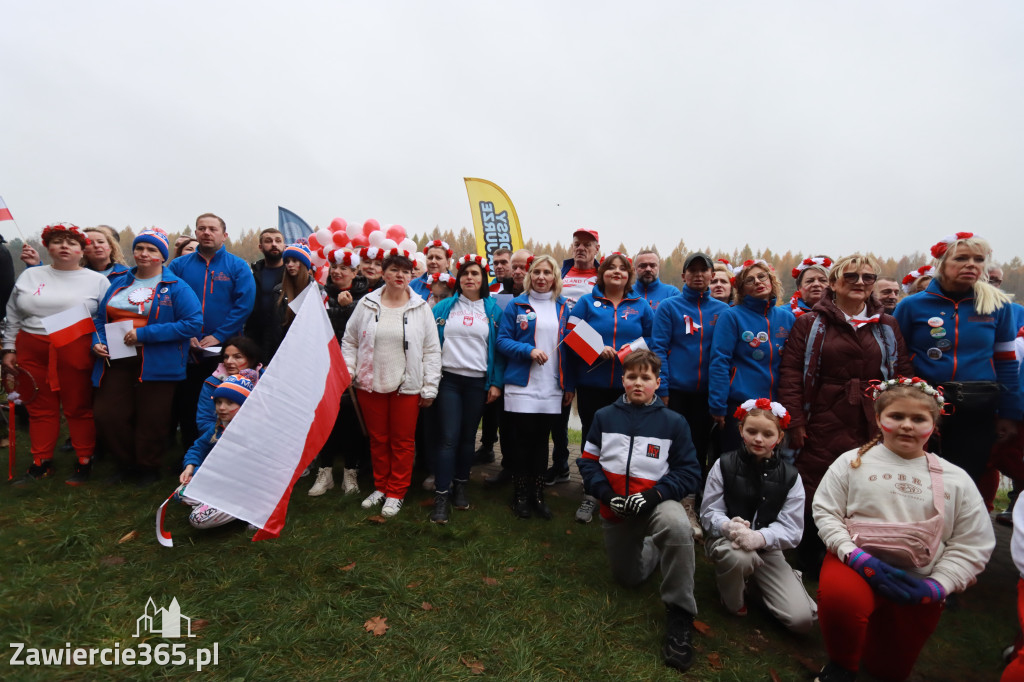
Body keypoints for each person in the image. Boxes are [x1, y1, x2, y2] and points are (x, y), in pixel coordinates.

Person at [812, 378, 994, 682]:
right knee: (841, 600)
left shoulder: (957, 480)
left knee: (889, 671)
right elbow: (826, 511)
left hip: (919, 580)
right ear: (879, 418)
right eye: (897, 416)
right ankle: (841, 665)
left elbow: (972, 543)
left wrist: (939, 586)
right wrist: (856, 558)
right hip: (855, 566)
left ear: (933, 424)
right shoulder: (852, 462)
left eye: (918, 418)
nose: (907, 425)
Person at [778, 254, 912, 577]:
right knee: (816, 483)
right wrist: (794, 420)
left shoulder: (886, 326)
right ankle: (810, 558)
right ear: (835, 282)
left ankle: (856, 556)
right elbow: (792, 374)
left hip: (872, 419)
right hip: (822, 414)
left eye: (868, 277)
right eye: (851, 276)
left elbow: (902, 371)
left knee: (868, 485)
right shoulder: (811, 323)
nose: (860, 283)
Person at [576, 349, 701, 673]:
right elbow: (588, 462)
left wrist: (655, 495)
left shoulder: (674, 422)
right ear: (623, 380)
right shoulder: (604, 417)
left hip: (656, 503)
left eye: (645, 377)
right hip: (615, 506)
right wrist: (604, 493)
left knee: (676, 526)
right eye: (632, 376)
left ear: (657, 383)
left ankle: (680, 613)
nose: (638, 382)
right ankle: (655, 551)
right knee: (627, 578)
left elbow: (689, 472)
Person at [894, 233, 1021, 482]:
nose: (971, 264)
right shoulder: (911, 306)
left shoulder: (998, 306)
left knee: (964, 479)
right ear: (941, 263)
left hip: (977, 407)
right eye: (961, 258)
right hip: (923, 403)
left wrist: (1010, 412)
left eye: (978, 259)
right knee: (917, 476)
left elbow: (1006, 362)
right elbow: (897, 359)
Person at [91, 229, 202, 486]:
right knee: (108, 414)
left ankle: (147, 467)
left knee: (152, 417)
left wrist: (146, 334)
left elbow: (193, 323)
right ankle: (125, 462)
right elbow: (99, 319)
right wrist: (97, 342)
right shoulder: (118, 282)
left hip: (157, 361)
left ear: (162, 256)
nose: (144, 253)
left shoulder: (175, 286)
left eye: (152, 250)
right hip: (116, 358)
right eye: (140, 247)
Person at [3, 223, 110, 485]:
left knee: (78, 406)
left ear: (81, 249)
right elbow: (13, 314)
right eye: (58, 241)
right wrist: (8, 348)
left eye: (71, 242)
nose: (64, 246)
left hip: (75, 348)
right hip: (31, 347)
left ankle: (85, 460)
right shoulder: (30, 276)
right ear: (48, 247)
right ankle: (41, 462)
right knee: (40, 407)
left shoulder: (97, 280)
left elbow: (106, 318)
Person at [700, 398, 817, 633]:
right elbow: (709, 512)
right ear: (741, 430)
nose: (758, 439)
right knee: (740, 558)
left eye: (767, 434)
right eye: (751, 431)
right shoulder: (724, 464)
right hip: (728, 542)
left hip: (767, 549)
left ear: (780, 437)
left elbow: (792, 530)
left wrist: (761, 538)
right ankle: (732, 596)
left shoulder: (791, 477)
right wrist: (727, 526)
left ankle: (762, 580)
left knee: (802, 621)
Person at [342, 250, 441, 518]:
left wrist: (430, 386)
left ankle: (397, 491)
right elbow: (350, 340)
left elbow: (432, 350)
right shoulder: (366, 304)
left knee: (402, 441)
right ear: (384, 273)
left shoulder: (421, 308)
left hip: (406, 386)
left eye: (405, 271)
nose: (399, 275)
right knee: (378, 439)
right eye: (394, 270)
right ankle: (381, 487)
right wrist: (348, 369)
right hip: (370, 384)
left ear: (412, 275)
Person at [566, 252, 654, 524]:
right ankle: (591, 494)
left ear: (629, 276)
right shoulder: (586, 302)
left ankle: (620, 493)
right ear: (601, 273)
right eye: (611, 268)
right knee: (592, 440)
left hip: (628, 387)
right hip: (592, 385)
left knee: (623, 441)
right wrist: (595, 349)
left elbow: (652, 338)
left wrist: (628, 352)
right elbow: (570, 331)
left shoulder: (641, 305)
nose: (617, 272)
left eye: (623, 269)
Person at [651, 251, 730, 539]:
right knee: (668, 449)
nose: (698, 275)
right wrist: (663, 388)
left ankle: (690, 504)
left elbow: (724, 356)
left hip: (707, 394)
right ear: (683, 276)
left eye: (703, 270)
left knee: (698, 451)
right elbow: (659, 348)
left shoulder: (723, 311)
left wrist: (719, 395)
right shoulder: (669, 307)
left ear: (712, 275)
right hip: (676, 392)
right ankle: (661, 502)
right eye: (692, 270)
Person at [167, 213, 256, 457]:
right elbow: (168, 301)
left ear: (224, 235)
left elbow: (244, 305)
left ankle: (225, 457)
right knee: (188, 403)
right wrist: (186, 333)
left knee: (223, 404)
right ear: (195, 233)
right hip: (187, 347)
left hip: (224, 351)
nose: (206, 232)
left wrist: (219, 335)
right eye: (201, 228)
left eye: (212, 229)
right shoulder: (178, 266)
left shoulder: (237, 266)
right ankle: (190, 456)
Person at [429, 254, 505, 524]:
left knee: (466, 438)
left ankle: (461, 484)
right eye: (465, 274)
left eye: (475, 274)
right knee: (448, 437)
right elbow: (428, 342)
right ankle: (441, 494)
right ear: (458, 279)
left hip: (477, 383)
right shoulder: (444, 308)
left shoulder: (493, 310)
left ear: (483, 279)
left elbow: (499, 349)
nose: (470, 278)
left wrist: (495, 382)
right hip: (448, 380)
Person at [496, 255, 572, 519]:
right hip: (521, 386)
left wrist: (569, 385)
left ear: (555, 278)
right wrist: (528, 350)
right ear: (530, 275)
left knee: (541, 443)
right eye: (537, 272)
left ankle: (537, 494)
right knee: (521, 443)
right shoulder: (517, 305)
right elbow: (502, 341)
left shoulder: (563, 307)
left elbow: (569, 350)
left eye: (547, 272)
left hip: (551, 387)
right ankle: (520, 494)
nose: (541, 277)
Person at [709, 259, 795, 452]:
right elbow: (719, 361)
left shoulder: (787, 318)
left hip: (775, 407)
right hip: (740, 405)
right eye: (750, 280)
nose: (757, 282)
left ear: (771, 280)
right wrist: (718, 405)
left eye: (761, 276)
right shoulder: (732, 316)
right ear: (741, 289)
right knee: (735, 462)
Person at [309, 249, 370, 497]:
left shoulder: (367, 298)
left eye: (344, 268)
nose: (337, 271)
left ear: (355, 272)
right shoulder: (319, 295)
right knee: (326, 420)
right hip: (324, 367)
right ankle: (324, 472)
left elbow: (362, 332)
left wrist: (348, 309)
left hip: (355, 368)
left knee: (351, 422)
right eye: (334, 267)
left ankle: (350, 472)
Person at [175, 374, 257, 529]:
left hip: (243, 489)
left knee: (197, 520)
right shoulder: (217, 428)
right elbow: (198, 448)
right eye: (218, 402)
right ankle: (215, 506)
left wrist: (203, 475)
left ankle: (247, 512)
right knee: (181, 494)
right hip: (218, 482)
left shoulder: (252, 433)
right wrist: (190, 467)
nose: (221, 407)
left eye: (230, 402)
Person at [196, 336, 262, 436]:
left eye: (237, 357)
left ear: (252, 359)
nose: (229, 361)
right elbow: (204, 421)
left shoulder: (265, 381)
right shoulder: (212, 383)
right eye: (226, 357)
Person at [245, 228, 287, 361]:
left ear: (284, 246)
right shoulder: (252, 275)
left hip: (284, 340)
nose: (274, 244)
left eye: (278, 241)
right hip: (255, 340)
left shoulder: (292, 275)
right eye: (268, 241)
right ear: (260, 247)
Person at [273, 243, 318, 335]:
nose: (290, 265)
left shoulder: (318, 291)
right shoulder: (278, 291)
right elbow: (273, 326)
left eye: (294, 261)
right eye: (287, 262)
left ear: (304, 264)